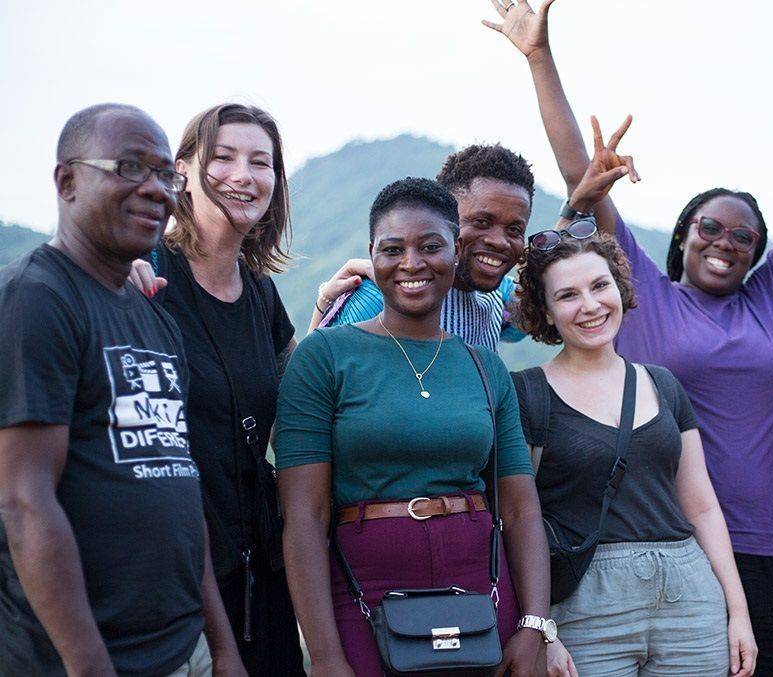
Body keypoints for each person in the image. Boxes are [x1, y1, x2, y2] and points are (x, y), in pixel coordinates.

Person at [485, 4, 773, 672]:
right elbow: (580, 166)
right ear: (683, 233)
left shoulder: (772, 298)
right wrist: (539, 57)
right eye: (710, 228)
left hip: (771, 546)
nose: (726, 242)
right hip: (663, 550)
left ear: (759, 253)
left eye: (743, 236)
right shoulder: (635, 292)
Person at [0, 103, 245, 676]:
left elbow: (180, 485)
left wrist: (224, 648)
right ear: (66, 181)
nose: (156, 190)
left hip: (184, 652)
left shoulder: (155, 319)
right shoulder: (37, 299)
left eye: (166, 175)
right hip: (75, 659)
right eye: (130, 167)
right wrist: (89, 666)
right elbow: (23, 500)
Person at [274, 177, 551, 677]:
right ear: (371, 256)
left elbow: (519, 505)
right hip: (361, 589)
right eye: (393, 248)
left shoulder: (486, 368)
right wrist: (327, 655)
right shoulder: (324, 357)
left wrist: (534, 624)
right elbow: (304, 515)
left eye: (430, 247)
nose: (411, 263)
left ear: (455, 251)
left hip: (479, 587)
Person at [511, 174, 757, 675]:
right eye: (568, 296)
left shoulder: (663, 384)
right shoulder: (527, 393)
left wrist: (738, 612)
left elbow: (703, 507)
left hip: (690, 596)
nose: (591, 306)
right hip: (585, 605)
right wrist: (542, 629)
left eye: (600, 286)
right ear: (547, 313)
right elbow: (519, 521)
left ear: (621, 289)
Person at [126, 103, 304, 674]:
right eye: (223, 157)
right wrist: (108, 278)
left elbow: (294, 411)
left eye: (261, 162)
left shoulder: (261, 295)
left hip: (262, 576)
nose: (243, 175)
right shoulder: (143, 273)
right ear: (181, 170)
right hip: (170, 579)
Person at [307, 143, 533, 349]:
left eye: (514, 230)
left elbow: (534, 315)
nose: (499, 241)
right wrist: (324, 303)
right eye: (481, 222)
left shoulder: (497, 296)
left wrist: (566, 217)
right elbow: (317, 377)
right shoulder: (380, 296)